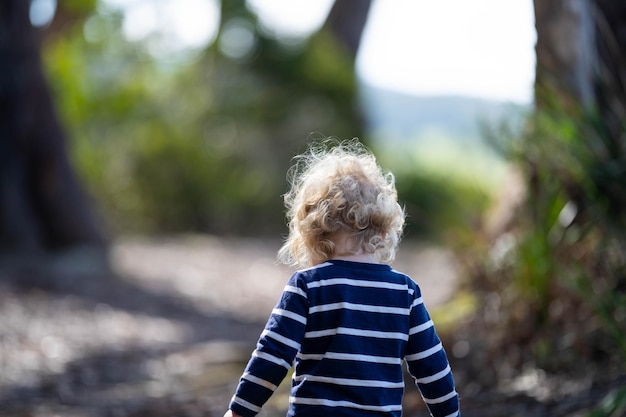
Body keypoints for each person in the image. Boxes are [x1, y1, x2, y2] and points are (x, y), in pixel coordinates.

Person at [224, 139, 460, 417]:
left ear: (314, 232)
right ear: (383, 229)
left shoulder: (308, 286)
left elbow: (273, 355)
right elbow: (432, 367)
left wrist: (239, 411)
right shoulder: (404, 292)